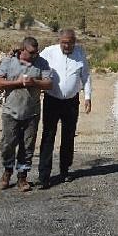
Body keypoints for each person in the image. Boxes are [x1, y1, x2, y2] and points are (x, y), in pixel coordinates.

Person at [0, 37, 52, 192]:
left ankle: (22, 176)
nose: (34, 55)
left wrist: (35, 83)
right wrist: (17, 83)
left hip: (31, 112)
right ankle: (7, 171)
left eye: (36, 52)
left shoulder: (42, 63)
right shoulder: (9, 61)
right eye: (31, 53)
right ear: (23, 49)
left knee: (27, 146)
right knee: (7, 144)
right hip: (11, 111)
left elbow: (49, 84)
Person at [37, 29, 92, 189]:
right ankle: (44, 175)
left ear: (75, 42)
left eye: (70, 42)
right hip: (51, 101)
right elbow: (37, 65)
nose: (67, 45)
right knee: (48, 136)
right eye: (64, 42)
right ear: (59, 40)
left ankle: (65, 170)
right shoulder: (49, 52)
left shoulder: (80, 54)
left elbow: (86, 76)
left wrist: (87, 97)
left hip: (71, 102)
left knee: (68, 137)